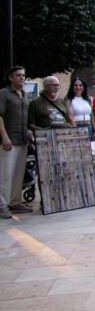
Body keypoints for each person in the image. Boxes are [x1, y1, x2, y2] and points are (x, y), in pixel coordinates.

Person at [0, 66, 32, 218]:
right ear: (10, 78)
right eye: (18, 75)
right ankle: (2, 205)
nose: (22, 78)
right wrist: (4, 137)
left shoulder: (24, 94)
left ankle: (15, 201)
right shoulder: (4, 93)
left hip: (22, 140)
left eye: (23, 75)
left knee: (18, 174)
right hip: (9, 140)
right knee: (5, 174)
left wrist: (28, 130)